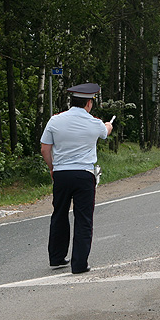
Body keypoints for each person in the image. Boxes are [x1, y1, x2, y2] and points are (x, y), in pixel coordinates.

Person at [40, 83, 113, 274]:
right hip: (84, 175)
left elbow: (45, 148)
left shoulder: (55, 121)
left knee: (59, 214)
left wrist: (52, 168)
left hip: (62, 174)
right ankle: (79, 263)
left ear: (72, 101)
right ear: (89, 103)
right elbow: (105, 132)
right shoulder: (94, 122)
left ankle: (56, 257)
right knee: (83, 219)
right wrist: (108, 125)